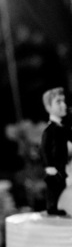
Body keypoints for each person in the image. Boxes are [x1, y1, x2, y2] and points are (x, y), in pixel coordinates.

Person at [41, 87, 70, 216]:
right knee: (54, 188)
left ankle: (59, 207)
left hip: (62, 166)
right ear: (48, 107)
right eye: (58, 102)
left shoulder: (63, 128)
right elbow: (44, 149)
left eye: (64, 101)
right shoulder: (49, 130)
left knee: (61, 186)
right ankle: (52, 208)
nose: (64, 105)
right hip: (54, 167)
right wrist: (49, 166)